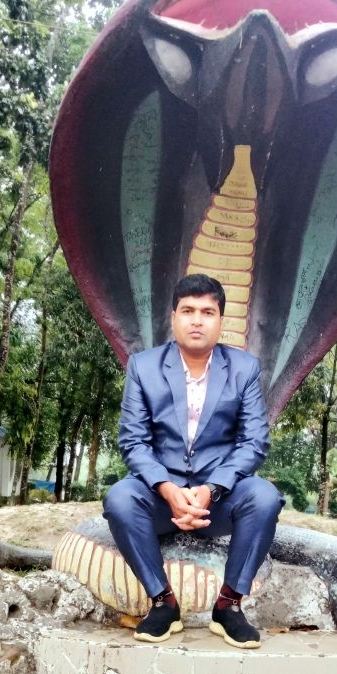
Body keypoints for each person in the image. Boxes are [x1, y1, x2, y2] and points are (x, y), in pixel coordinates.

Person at [103, 273, 284, 648]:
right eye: (187, 311)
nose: (197, 320)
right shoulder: (144, 366)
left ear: (221, 320)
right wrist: (168, 489)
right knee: (119, 499)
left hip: (218, 499)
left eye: (207, 312)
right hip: (161, 499)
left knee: (265, 497)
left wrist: (211, 489)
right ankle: (163, 603)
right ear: (173, 318)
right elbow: (133, 441)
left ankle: (229, 606)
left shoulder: (244, 368)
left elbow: (254, 442)